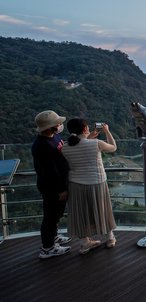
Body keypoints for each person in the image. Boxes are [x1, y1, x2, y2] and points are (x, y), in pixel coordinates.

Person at [62, 119, 117, 254]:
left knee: (80, 213)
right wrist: (107, 131)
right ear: (85, 129)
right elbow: (113, 147)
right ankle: (109, 238)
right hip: (96, 182)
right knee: (102, 209)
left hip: (76, 184)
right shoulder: (96, 143)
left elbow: (79, 146)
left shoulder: (65, 147)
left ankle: (85, 243)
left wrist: (88, 137)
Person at [32, 110, 72, 259]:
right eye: (58, 123)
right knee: (50, 217)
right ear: (50, 127)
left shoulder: (53, 136)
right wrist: (61, 189)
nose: (60, 125)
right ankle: (47, 248)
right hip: (52, 188)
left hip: (59, 184)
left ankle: (53, 237)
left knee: (56, 215)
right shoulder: (43, 146)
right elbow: (49, 171)